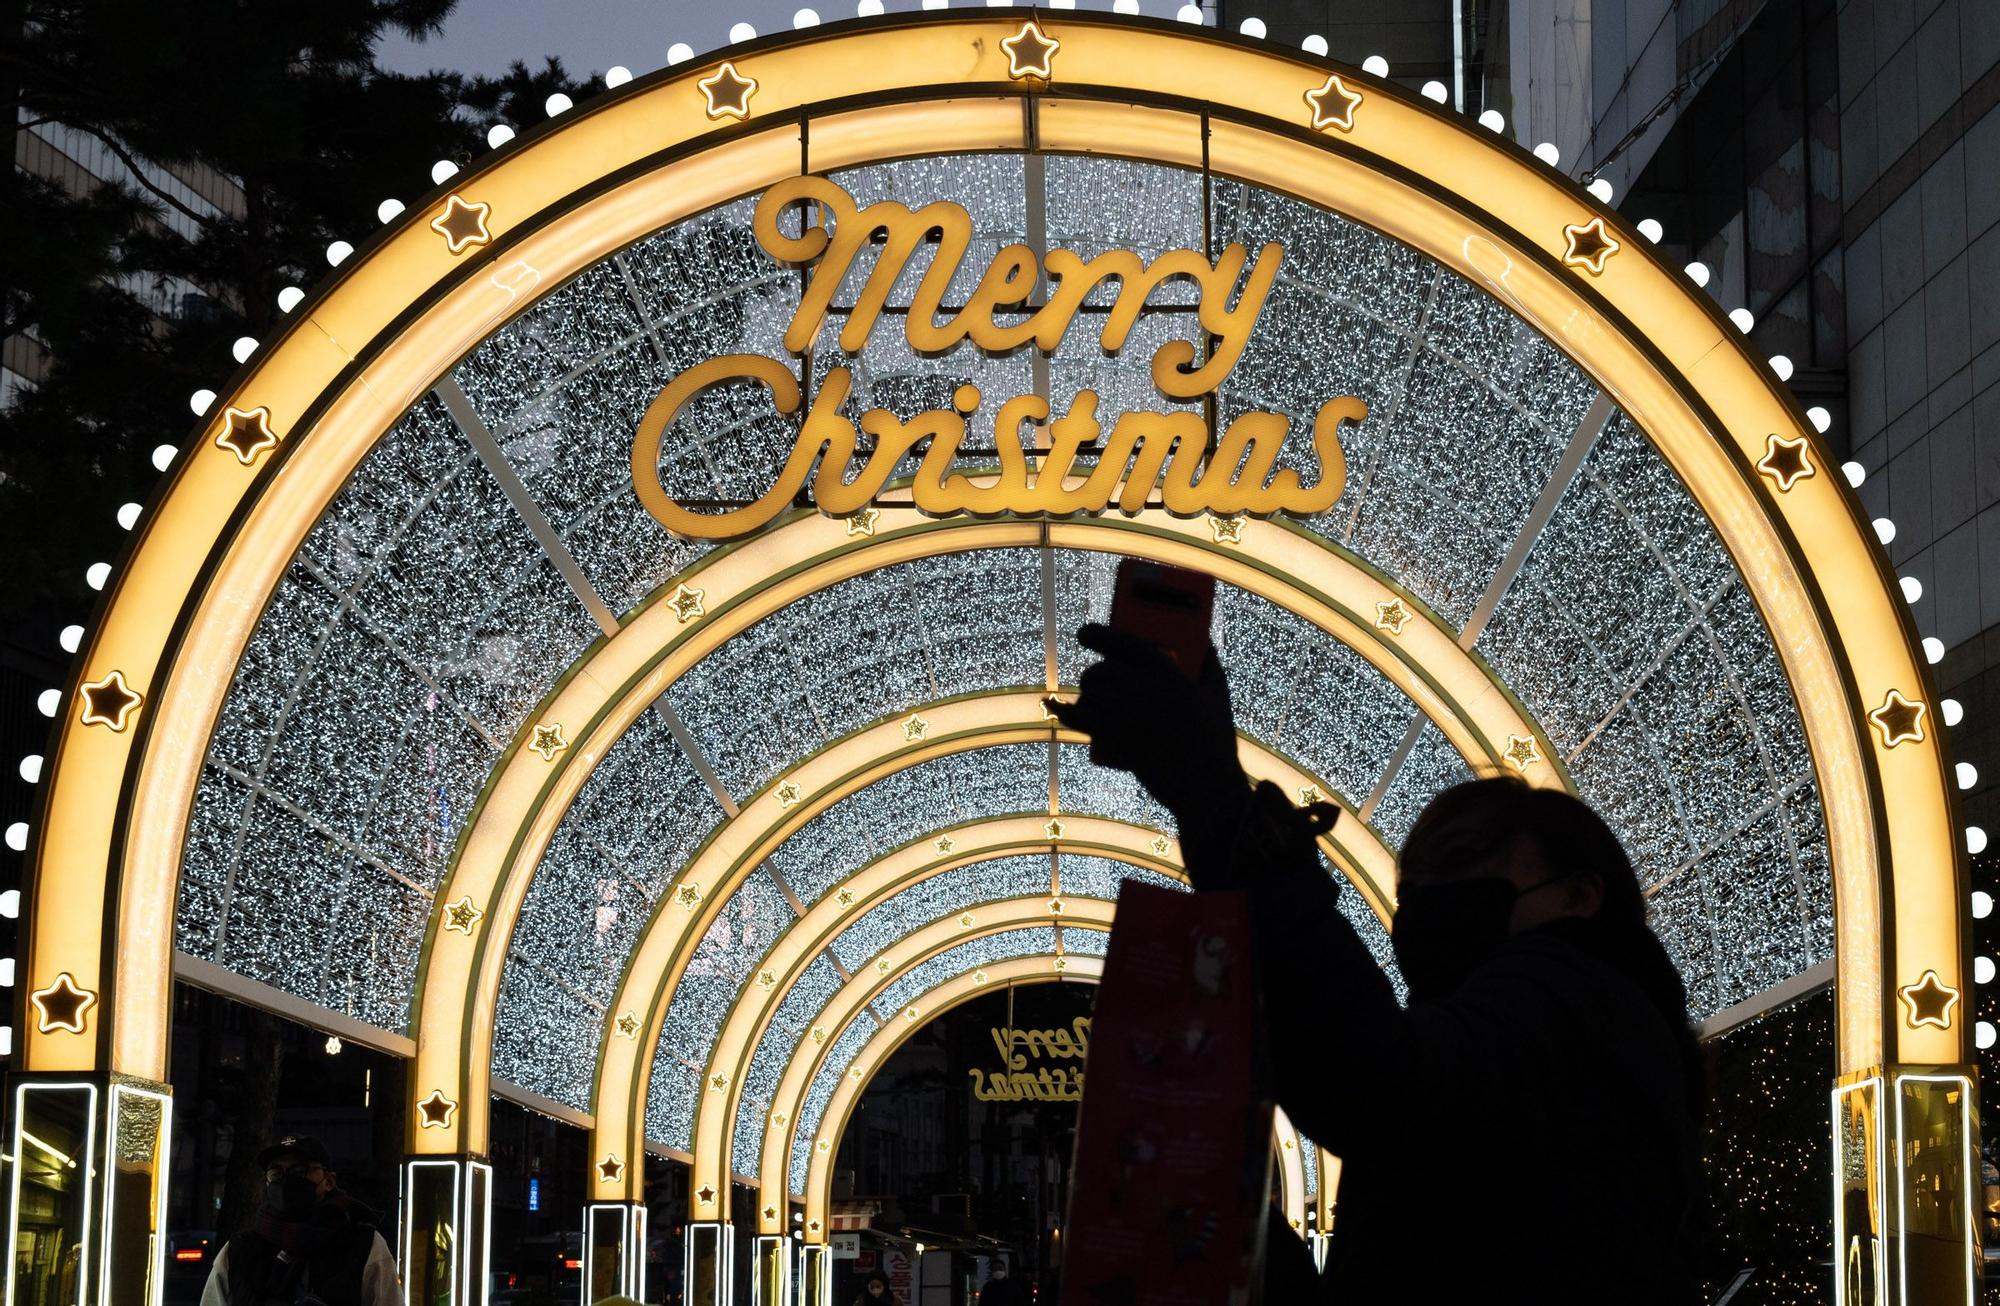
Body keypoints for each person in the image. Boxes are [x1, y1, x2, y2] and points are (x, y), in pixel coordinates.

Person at [1052, 624, 1706, 1304]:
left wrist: (1216, 797)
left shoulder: (1573, 996)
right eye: (1409, 892)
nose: (1426, 904)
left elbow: (1378, 1084)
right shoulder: (1567, 1049)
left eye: (1461, 860)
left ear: (1579, 893)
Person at [200, 1134, 400, 1306]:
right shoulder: (239, 1250)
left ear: (329, 1181)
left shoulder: (363, 1245)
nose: (286, 1180)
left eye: (299, 1170)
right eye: (276, 1173)